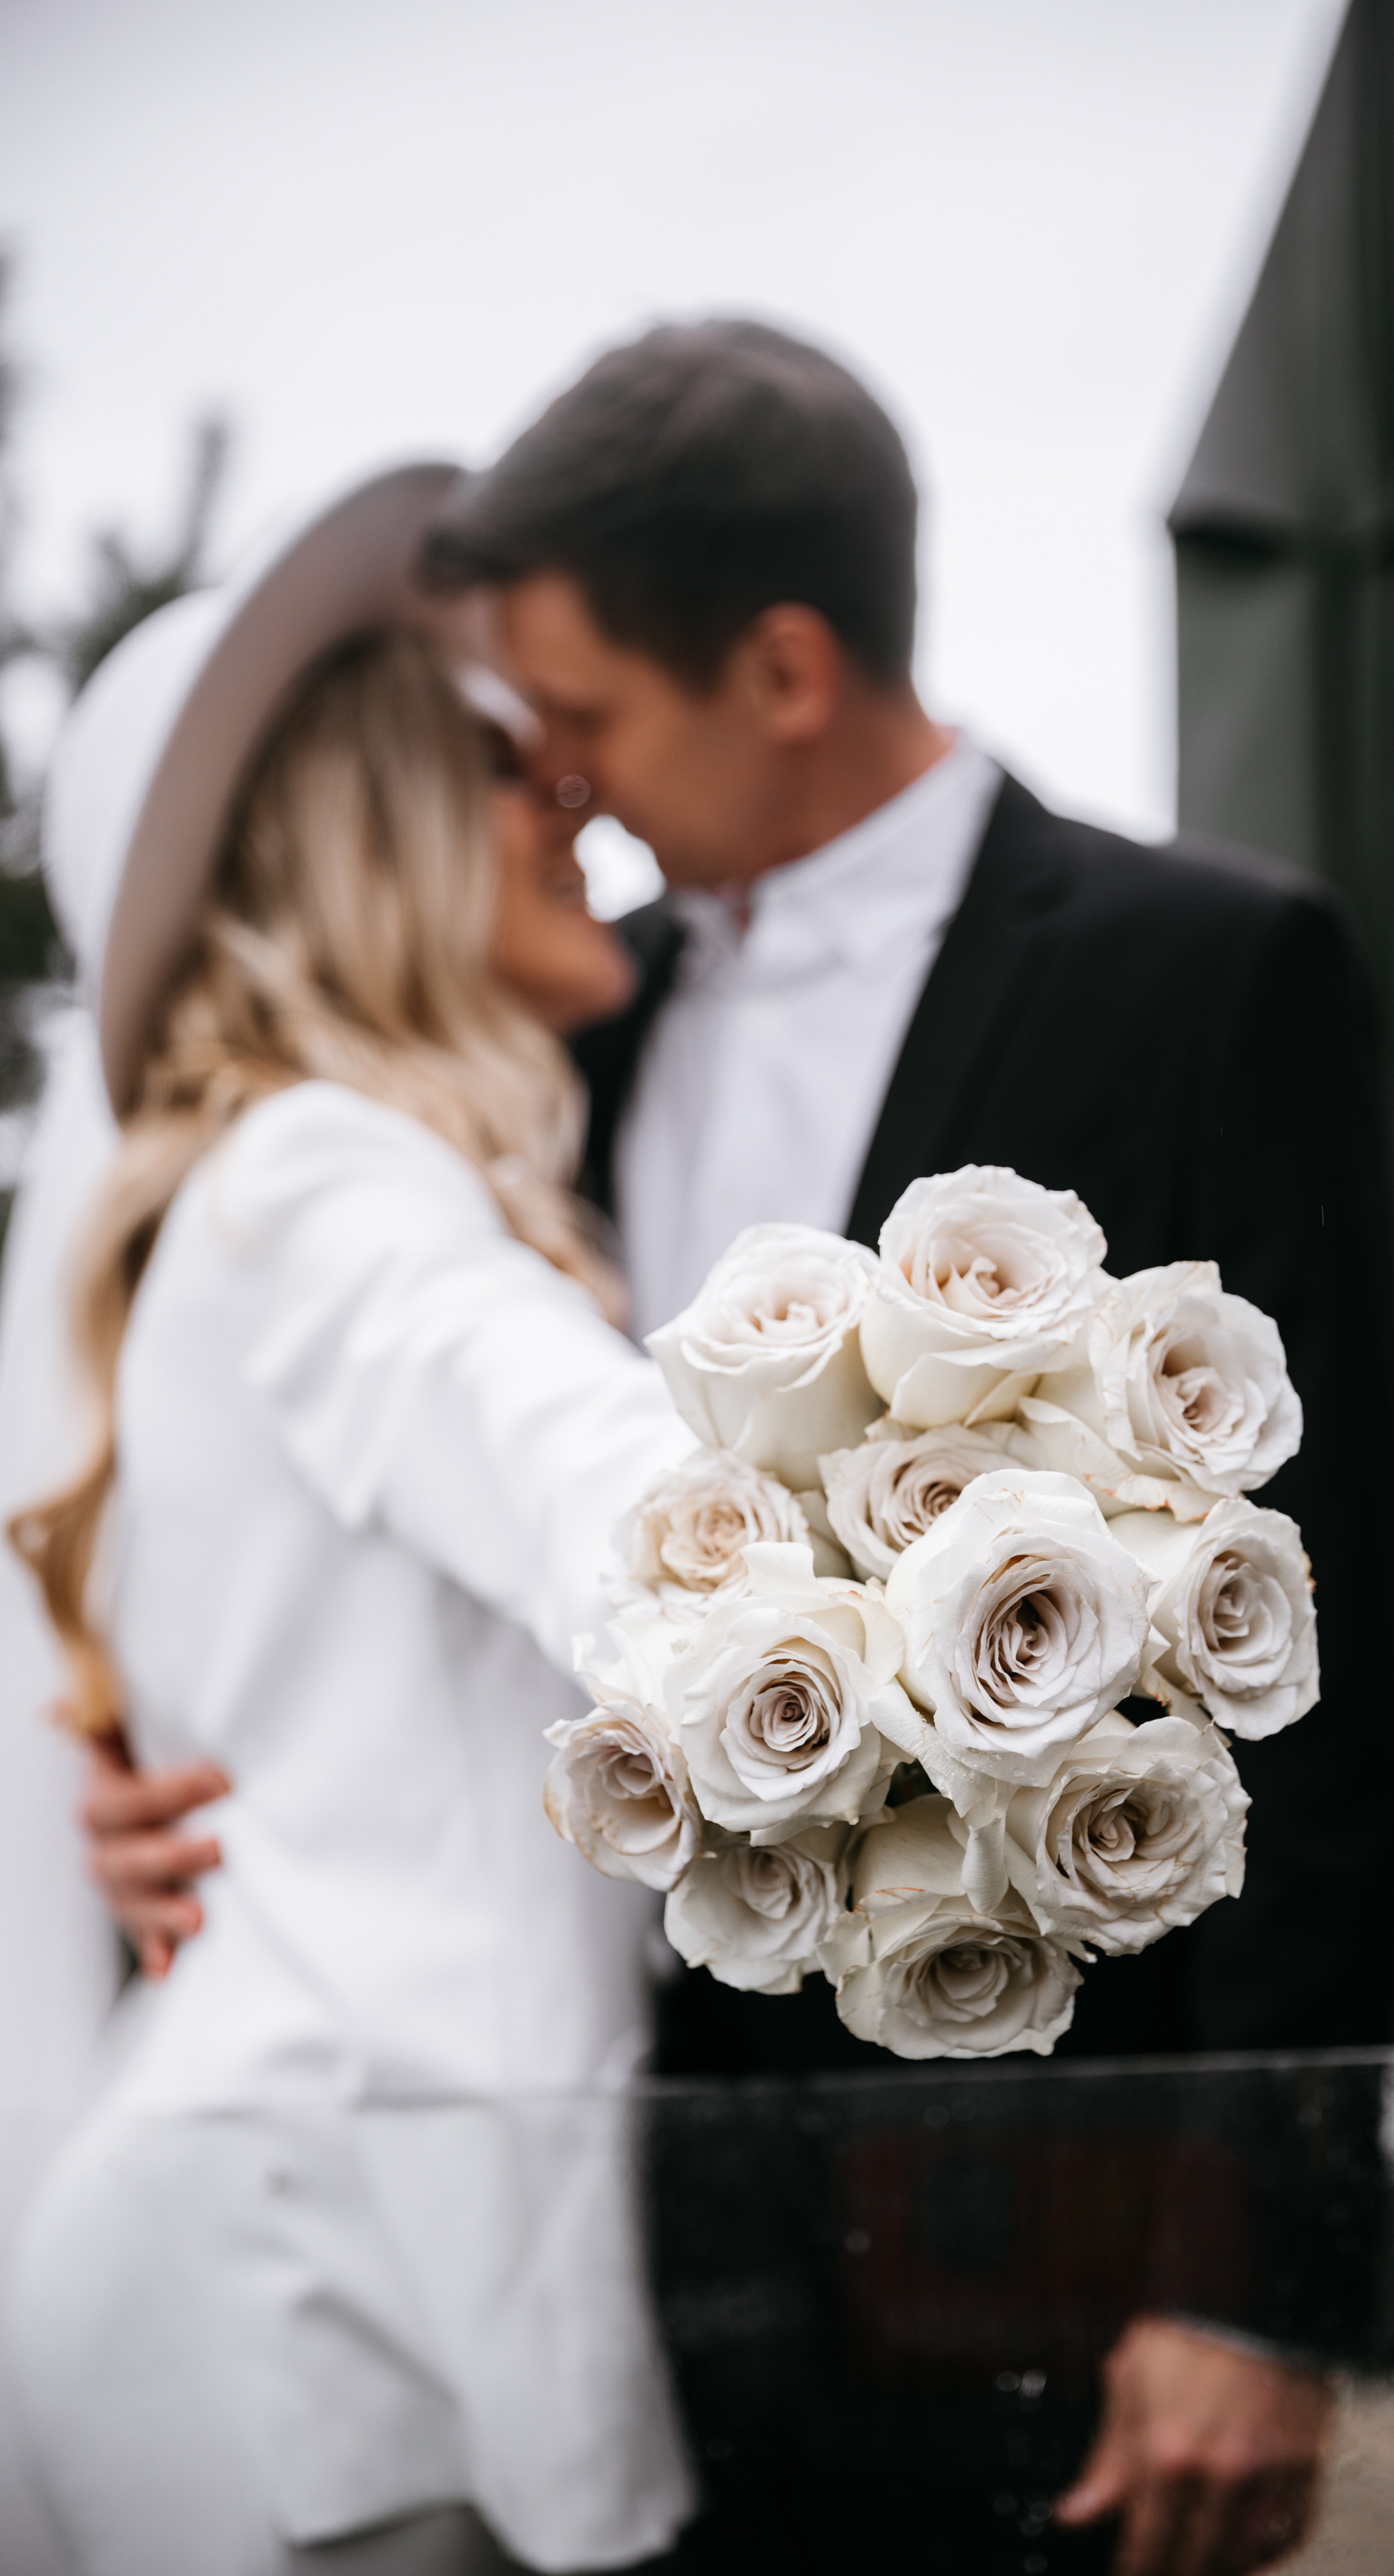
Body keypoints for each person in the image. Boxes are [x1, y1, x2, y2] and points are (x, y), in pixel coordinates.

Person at [91, 322, 1394, 2576]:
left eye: (582, 723)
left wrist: (1251, 2277)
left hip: (1063, 2226)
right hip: (606, 2240)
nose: (567, 793)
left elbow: (1333, 1644)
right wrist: (153, 1791)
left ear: (783, 670)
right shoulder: (548, 1052)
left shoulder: (1209, 971)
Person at [7, 464, 702, 2576]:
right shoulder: (319, 1177)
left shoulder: (282, 1183)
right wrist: (878, 1618)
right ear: (368, 822)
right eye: (506, 759)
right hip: (307, 2305)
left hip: (359, 2266)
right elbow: (569, 1466)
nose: (574, 791)